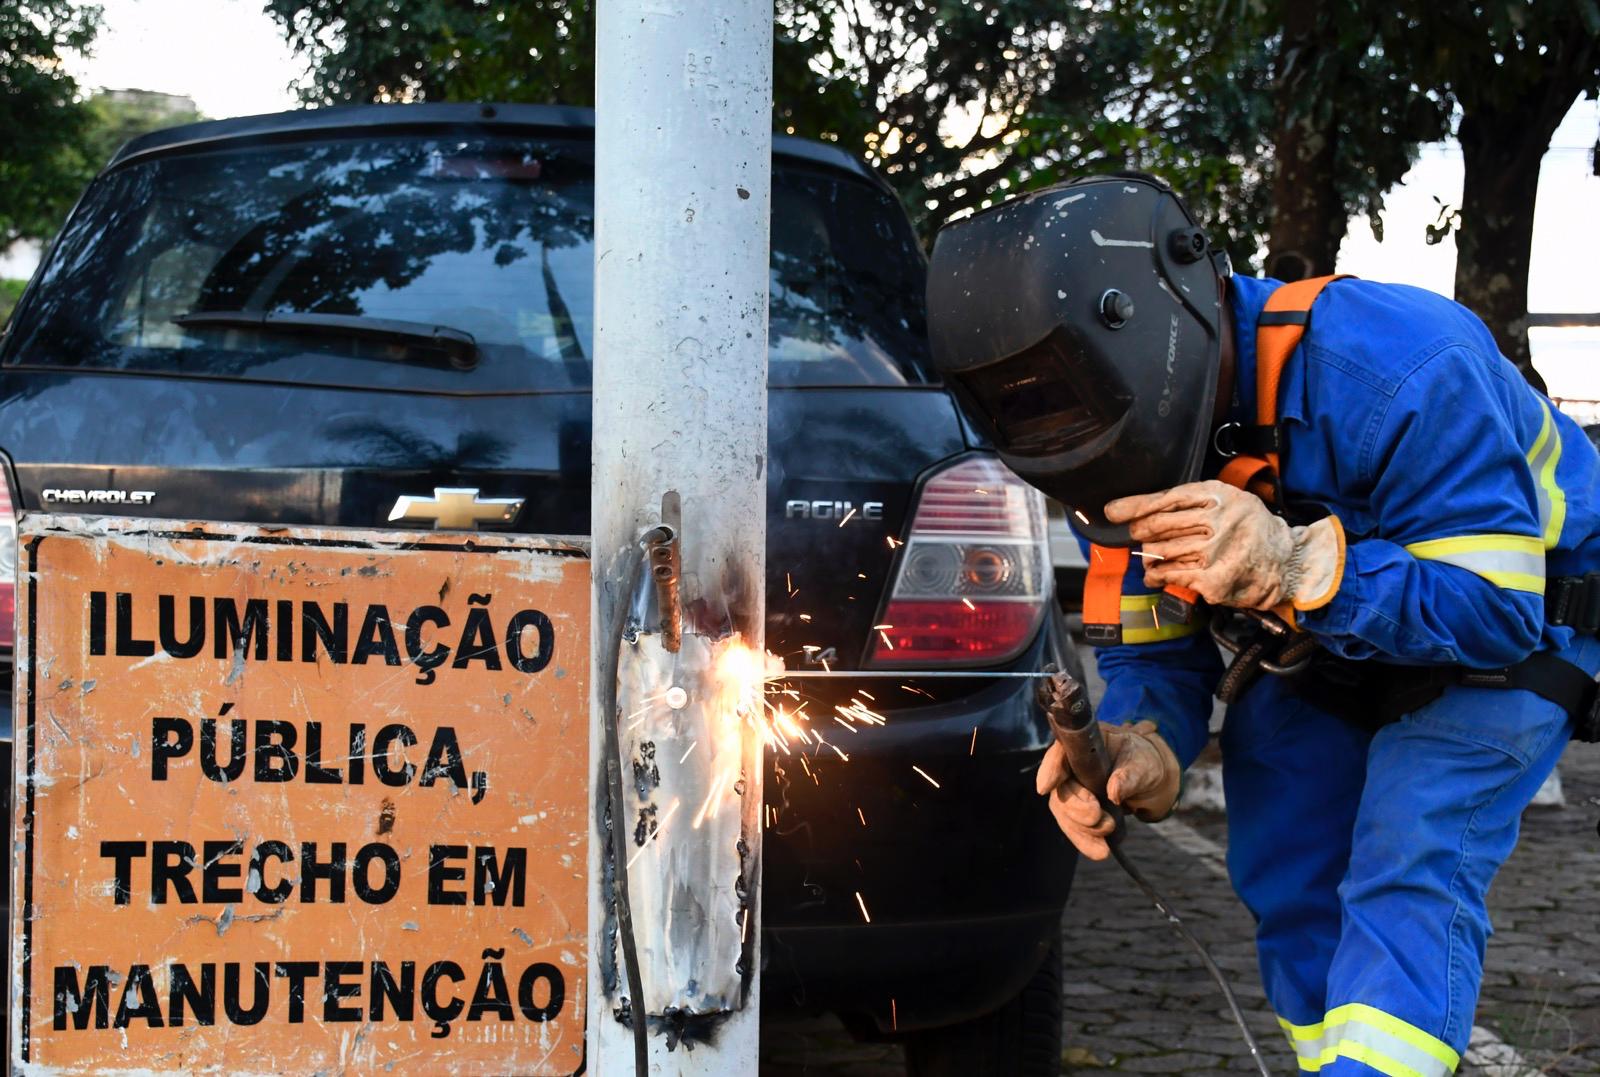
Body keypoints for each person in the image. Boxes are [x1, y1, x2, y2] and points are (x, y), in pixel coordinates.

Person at [924, 172, 1600, 1077]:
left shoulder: (1400, 364)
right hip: (1331, 638)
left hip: (1523, 627)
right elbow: (1155, 655)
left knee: (1411, 851)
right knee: (1285, 864)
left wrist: (1301, 567)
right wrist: (1142, 745)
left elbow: (1494, 612)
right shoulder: (1127, 450)